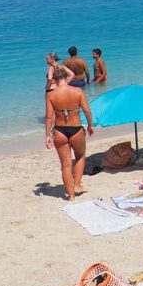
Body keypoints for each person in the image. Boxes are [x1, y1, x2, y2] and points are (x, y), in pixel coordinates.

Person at [44, 65, 95, 200]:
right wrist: (90, 125)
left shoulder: (51, 95)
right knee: (80, 156)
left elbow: (49, 117)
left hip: (59, 131)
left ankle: (71, 195)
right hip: (76, 129)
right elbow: (87, 111)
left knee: (65, 164)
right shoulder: (77, 91)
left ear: (54, 79)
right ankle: (77, 185)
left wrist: (48, 135)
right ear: (67, 77)